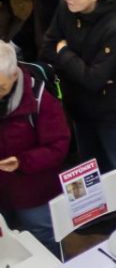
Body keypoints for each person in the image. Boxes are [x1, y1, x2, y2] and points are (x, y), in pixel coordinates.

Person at [44, 0, 116, 215]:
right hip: (79, 107)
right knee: (91, 169)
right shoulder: (67, 6)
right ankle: (100, 216)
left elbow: (95, 79)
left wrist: (64, 53)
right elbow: (47, 44)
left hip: (112, 113)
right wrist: (81, 66)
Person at [0, 41, 69, 246]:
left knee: (45, 242)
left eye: (1, 87)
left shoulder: (41, 100)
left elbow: (58, 146)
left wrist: (22, 161)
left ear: (15, 75)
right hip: (4, 196)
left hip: (32, 196)